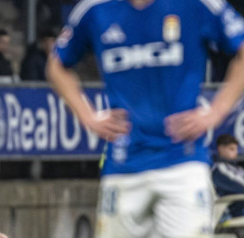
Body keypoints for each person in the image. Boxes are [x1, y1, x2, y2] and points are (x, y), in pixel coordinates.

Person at [46, 0, 244, 237]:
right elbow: (56, 65)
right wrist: (88, 116)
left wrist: (217, 111)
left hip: (183, 162)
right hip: (123, 165)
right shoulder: (95, 8)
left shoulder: (198, 4)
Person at [212, 134, 244, 217]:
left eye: (236, 149)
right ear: (221, 149)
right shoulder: (219, 170)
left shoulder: (237, 168)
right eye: (231, 149)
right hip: (233, 213)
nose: (236, 153)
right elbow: (240, 188)